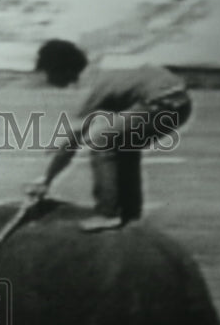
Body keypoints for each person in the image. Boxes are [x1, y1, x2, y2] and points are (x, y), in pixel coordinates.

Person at [27, 39, 192, 226]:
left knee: (100, 141)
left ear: (63, 70)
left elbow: (72, 144)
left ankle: (108, 213)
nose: (47, 80)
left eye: (48, 73)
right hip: (180, 101)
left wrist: (46, 180)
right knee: (124, 145)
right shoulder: (98, 68)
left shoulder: (89, 86)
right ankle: (131, 212)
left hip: (162, 103)